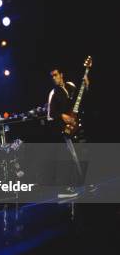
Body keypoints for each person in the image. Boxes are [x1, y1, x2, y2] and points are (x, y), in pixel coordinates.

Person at [47, 67, 90, 198]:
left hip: (78, 124)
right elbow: (50, 115)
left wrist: (86, 86)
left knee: (83, 154)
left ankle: (85, 183)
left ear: (61, 74)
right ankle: (66, 189)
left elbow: (80, 99)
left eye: (56, 75)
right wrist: (61, 116)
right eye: (52, 76)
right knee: (71, 158)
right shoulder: (53, 93)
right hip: (65, 130)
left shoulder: (71, 85)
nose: (54, 78)